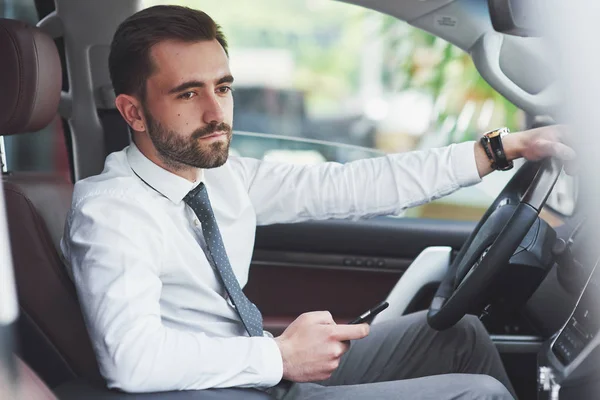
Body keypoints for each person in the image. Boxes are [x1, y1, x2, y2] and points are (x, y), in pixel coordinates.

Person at [60, 5, 575, 400]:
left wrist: (499, 149)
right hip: (222, 389)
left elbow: (353, 185)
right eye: (188, 94)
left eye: (223, 87)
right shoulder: (111, 212)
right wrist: (279, 357)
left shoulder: (220, 178)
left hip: (258, 374)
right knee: (477, 395)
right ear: (133, 112)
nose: (217, 113)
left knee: (459, 335)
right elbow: (131, 359)